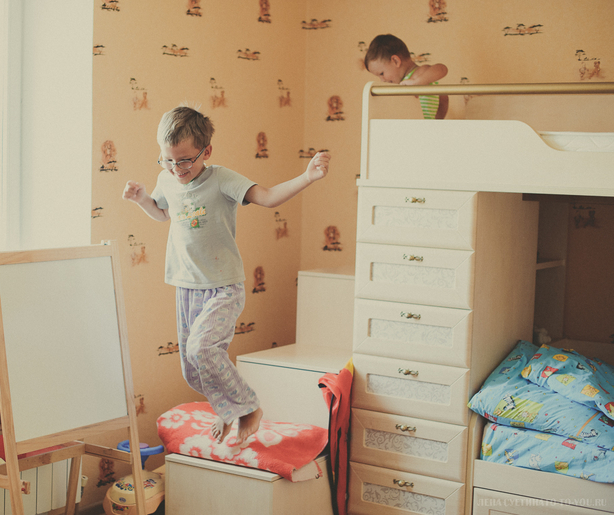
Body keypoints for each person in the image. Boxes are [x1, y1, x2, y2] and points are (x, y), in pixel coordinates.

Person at [122, 105, 330, 444]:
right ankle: (228, 408)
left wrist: (307, 177)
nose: (176, 169)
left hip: (223, 286)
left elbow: (268, 197)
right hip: (187, 286)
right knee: (192, 370)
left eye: (185, 161)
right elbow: (162, 214)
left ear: (206, 152)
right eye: (168, 160)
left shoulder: (222, 179)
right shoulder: (167, 179)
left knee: (202, 349)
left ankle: (248, 408)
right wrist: (142, 199)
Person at [364, 34, 449, 120]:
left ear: (396, 61)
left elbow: (442, 69)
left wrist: (417, 82)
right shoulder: (402, 83)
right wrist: (437, 121)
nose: (382, 80)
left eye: (382, 74)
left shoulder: (419, 74)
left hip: (421, 126)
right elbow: (444, 99)